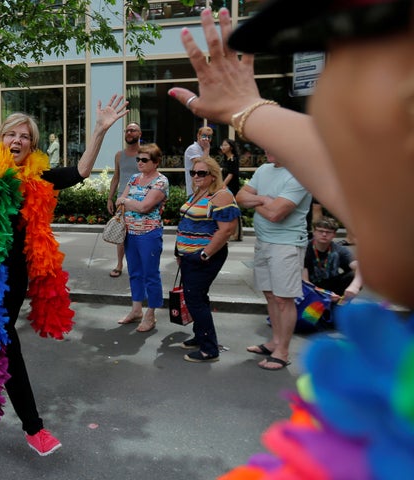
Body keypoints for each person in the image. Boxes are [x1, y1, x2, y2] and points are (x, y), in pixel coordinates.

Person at [170, 3, 414, 477]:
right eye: (338, 54)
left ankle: (280, 348)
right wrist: (243, 109)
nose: (334, 101)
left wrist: (247, 113)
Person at [0, 51, 127, 456]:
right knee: (3, 342)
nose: (17, 140)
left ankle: (9, 411)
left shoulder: (39, 179)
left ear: (33, 145)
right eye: (11, 134)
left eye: (25, 136)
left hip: (18, 273)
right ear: (1, 141)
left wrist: (100, 132)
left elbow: (80, 173)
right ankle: (34, 427)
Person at [235, 152, 311, 370]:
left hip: (286, 244)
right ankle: (274, 342)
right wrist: (263, 200)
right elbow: (240, 197)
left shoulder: (299, 175)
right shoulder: (263, 169)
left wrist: (259, 202)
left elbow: (276, 214)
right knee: (270, 295)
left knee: (283, 299)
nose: (267, 150)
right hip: (263, 241)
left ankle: (283, 352)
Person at [175, 156, 240, 362]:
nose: (196, 176)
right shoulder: (199, 192)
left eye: (201, 173)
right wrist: (180, 252)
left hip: (204, 257)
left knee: (195, 299)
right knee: (198, 297)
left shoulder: (221, 195)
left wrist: (203, 255)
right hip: (189, 256)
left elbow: (227, 230)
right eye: (193, 172)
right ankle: (199, 336)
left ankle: (209, 349)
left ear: (213, 175)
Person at [114, 143, 169, 332]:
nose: (139, 162)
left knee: (150, 275)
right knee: (135, 273)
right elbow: (118, 202)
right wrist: (128, 203)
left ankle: (151, 314)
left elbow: (145, 207)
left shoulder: (161, 182)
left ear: (155, 162)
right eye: (138, 159)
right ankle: (136, 310)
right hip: (131, 233)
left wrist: (127, 201)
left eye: (144, 160)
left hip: (149, 234)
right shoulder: (135, 178)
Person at [106, 122, 142, 278]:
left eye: (132, 130)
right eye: (127, 130)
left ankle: (139, 265)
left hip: (141, 199)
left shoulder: (145, 153)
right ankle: (119, 264)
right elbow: (116, 177)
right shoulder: (119, 155)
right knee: (121, 232)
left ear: (140, 134)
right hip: (122, 199)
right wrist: (110, 198)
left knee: (139, 233)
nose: (129, 133)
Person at [304, 217, 362, 301]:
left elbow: (359, 267)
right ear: (314, 232)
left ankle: (340, 301)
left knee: (354, 275)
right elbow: (305, 281)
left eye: (328, 232)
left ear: (334, 234)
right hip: (310, 287)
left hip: (332, 285)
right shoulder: (305, 249)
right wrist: (325, 294)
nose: (324, 234)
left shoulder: (339, 250)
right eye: (320, 231)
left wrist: (355, 286)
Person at [220, 138, 242, 241]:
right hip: (225, 187)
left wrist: (223, 185)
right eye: (222, 145)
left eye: (225, 145)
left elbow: (231, 174)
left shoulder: (233, 159)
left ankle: (236, 233)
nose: (223, 147)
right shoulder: (225, 159)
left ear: (231, 147)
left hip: (231, 187)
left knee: (233, 209)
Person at [184, 126, 212, 196]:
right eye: (204, 136)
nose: (207, 139)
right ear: (198, 136)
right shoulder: (192, 148)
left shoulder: (203, 149)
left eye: (209, 137)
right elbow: (201, 166)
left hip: (204, 189)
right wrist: (207, 150)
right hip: (194, 190)